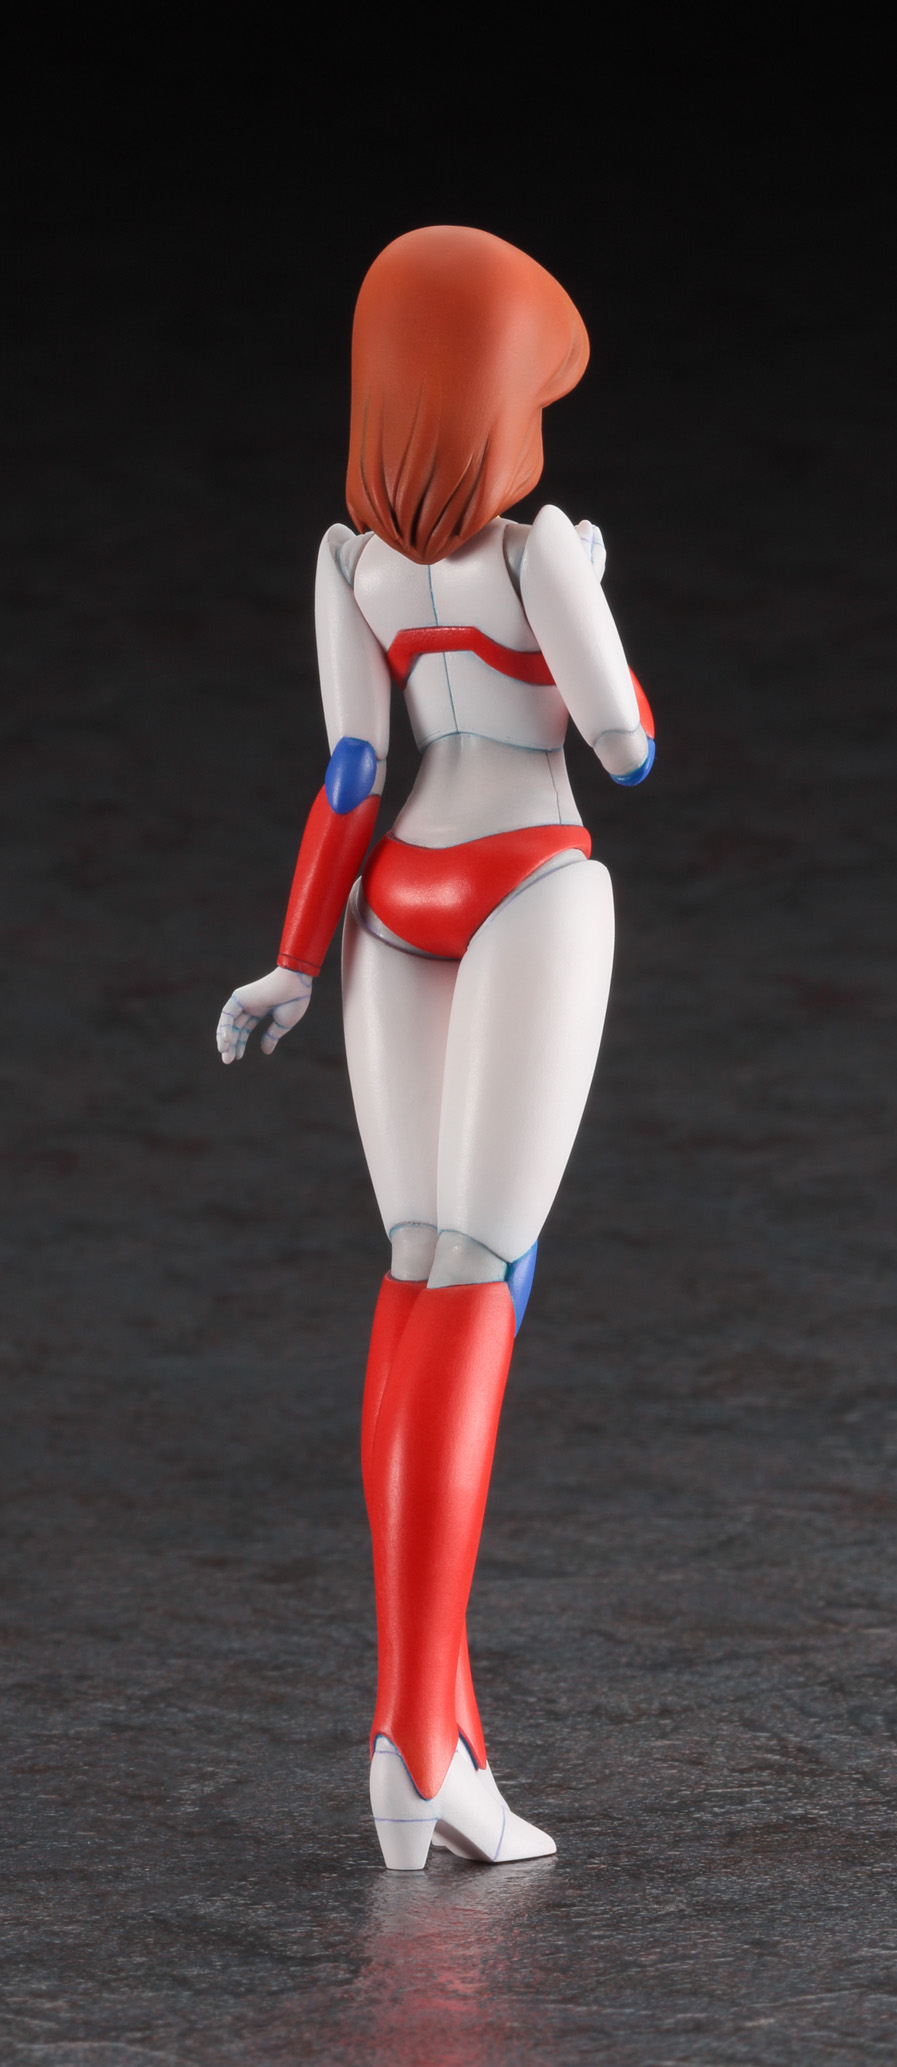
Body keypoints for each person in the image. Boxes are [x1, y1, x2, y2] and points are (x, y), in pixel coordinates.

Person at [216, 226, 654, 1869]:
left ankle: (438, 1731)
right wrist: (588, 586)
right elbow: (626, 748)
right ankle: (412, 1746)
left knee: (422, 1275)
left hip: (390, 908)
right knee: (470, 1279)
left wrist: (289, 961)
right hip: (531, 884)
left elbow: (348, 774)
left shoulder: (350, 563)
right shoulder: (535, 554)